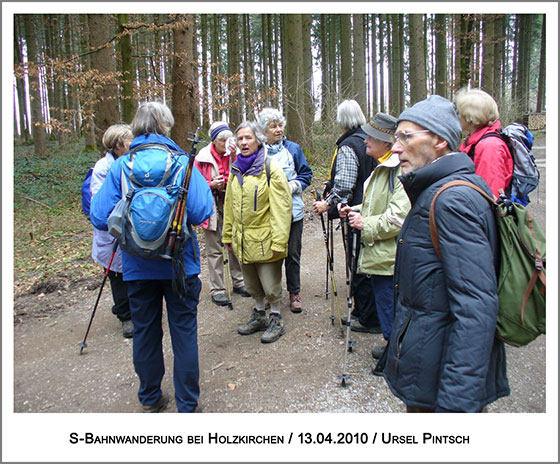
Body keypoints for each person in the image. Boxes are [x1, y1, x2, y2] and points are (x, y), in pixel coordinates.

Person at [382, 95, 510, 412]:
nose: (395, 148)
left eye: (405, 137)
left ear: (439, 140)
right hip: (429, 365)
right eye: (395, 137)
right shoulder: (435, 191)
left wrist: (455, 407)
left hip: (441, 381)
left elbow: (476, 308)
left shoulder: (452, 200)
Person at [90, 101, 214, 413]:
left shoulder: (121, 166)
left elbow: (98, 214)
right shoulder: (182, 164)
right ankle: (187, 404)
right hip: (179, 264)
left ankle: (150, 397)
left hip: (136, 266)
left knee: (145, 331)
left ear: (136, 130)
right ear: (165, 127)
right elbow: (202, 211)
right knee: (183, 331)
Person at [338, 113, 409, 361]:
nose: (365, 140)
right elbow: (377, 206)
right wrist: (354, 210)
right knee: (385, 302)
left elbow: (399, 217)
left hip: (390, 257)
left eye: (371, 137)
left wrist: (364, 223)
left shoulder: (397, 170)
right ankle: (393, 346)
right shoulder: (384, 168)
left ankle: (396, 353)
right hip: (383, 255)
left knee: (390, 304)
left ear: (386, 143)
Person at [312, 99, 381, 333]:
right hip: (371, 208)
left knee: (359, 262)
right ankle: (365, 311)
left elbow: (344, 185)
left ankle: (367, 316)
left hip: (356, 212)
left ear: (341, 120)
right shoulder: (370, 141)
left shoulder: (349, 146)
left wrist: (326, 203)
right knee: (366, 261)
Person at [222, 121, 292, 343]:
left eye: (248, 138)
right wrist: (227, 235)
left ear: (258, 140)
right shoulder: (236, 169)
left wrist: (279, 241)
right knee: (251, 283)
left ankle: (276, 318)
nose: (243, 142)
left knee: (271, 284)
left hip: (266, 239)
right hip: (242, 239)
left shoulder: (271, 168)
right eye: (240, 138)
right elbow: (229, 205)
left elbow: (282, 208)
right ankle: (259, 314)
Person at [257, 108, 313, 313]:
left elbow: (306, 175)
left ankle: (294, 293)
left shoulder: (294, 149)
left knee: (292, 254)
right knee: (269, 256)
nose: (278, 129)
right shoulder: (258, 151)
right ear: (264, 130)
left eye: (280, 125)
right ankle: (271, 294)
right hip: (266, 214)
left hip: (293, 212)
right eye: (273, 126)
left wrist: (290, 187)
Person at [194, 121, 250, 307]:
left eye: (228, 138)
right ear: (213, 141)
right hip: (211, 205)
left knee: (234, 242)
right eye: (222, 139)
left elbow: (245, 176)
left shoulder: (237, 154)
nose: (226, 141)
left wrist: (235, 156)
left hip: (231, 203)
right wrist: (210, 184)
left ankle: (239, 282)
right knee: (214, 247)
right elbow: (194, 184)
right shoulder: (201, 158)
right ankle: (217, 289)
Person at [90, 124, 134, 338]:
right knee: (117, 274)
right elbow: (101, 200)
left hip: (130, 227)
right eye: (129, 141)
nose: (133, 144)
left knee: (132, 270)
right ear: (118, 145)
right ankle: (125, 315)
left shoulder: (130, 162)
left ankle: (135, 309)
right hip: (111, 231)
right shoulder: (103, 167)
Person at [454, 87, 513, 198]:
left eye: (460, 112)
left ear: (471, 117)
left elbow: (491, 194)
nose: (458, 116)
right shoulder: (473, 140)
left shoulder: (489, 146)